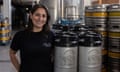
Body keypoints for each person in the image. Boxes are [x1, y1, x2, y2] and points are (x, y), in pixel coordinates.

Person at [9, 4, 54, 72]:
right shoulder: (20, 36)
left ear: (47, 18)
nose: (40, 19)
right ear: (31, 15)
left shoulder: (51, 35)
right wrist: (19, 69)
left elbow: (55, 55)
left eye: (43, 16)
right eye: (37, 15)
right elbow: (12, 53)